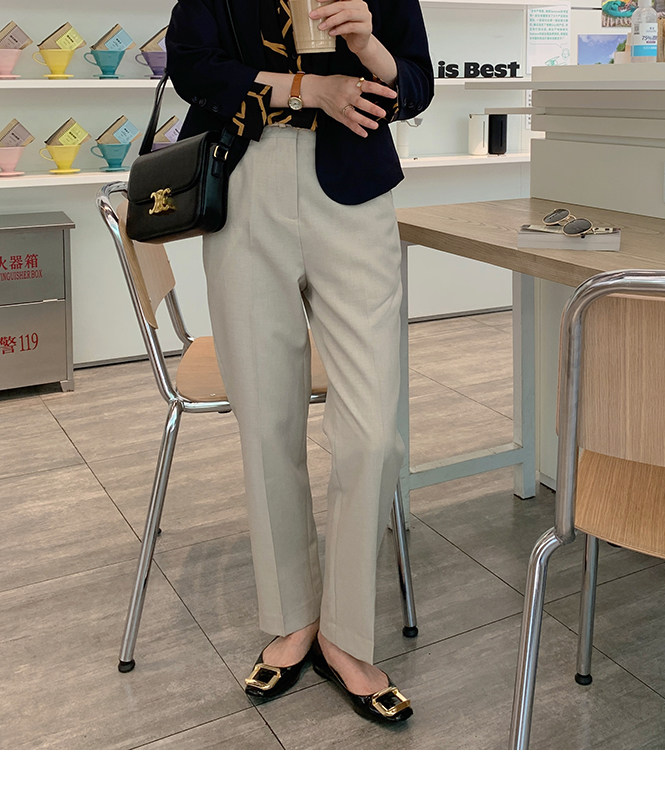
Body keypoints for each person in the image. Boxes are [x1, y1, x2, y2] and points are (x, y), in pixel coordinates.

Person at [165, 0, 433, 723]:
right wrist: (308, 88)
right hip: (245, 179)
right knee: (267, 422)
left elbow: (416, 84)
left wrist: (368, 44)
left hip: (354, 190)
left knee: (373, 433)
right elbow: (191, 65)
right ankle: (293, 618)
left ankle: (347, 632)